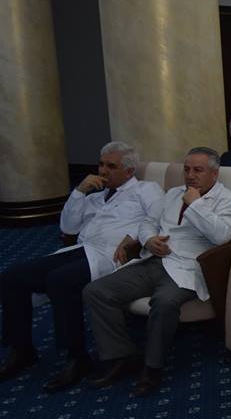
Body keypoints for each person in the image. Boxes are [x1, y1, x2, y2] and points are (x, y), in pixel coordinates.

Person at [0, 142, 163, 391]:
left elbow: (158, 218)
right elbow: (68, 228)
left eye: (111, 166)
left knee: (60, 280)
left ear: (129, 171)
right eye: (101, 164)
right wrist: (78, 192)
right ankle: (21, 350)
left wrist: (133, 238)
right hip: (79, 250)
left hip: (110, 256)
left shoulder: (146, 189)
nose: (103, 171)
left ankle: (76, 358)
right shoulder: (95, 196)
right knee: (12, 277)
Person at [83, 147, 231, 397]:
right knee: (96, 291)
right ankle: (120, 356)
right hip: (154, 260)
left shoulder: (226, 200)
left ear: (214, 173)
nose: (190, 175)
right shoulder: (173, 193)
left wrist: (196, 204)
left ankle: (152, 367)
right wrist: (149, 240)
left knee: (164, 302)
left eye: (198, 170)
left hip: (188, 268)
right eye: (187, 169)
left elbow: (221, 236)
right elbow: (148, 222)